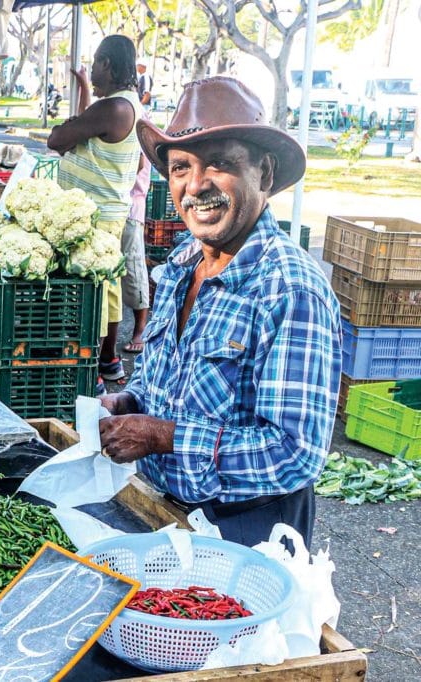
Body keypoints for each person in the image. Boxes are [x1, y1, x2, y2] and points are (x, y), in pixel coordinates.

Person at [99, 76, 340, 550]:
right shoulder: (181, 264)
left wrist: (164, 437)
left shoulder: (290, 289)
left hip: (249, 532)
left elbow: (294, 454)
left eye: (221, 164)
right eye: (181, 168)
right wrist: (131, 402)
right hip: (166, 510)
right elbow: (166, 377)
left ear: (265, 174)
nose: (196, 185)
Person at [46, 35, 143, 394]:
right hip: (110, 212)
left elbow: (56, 139)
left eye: (96, 66)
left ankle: (94, 375)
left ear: (107, 64)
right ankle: (109, 360)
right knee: (109, 287)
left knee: (92, 292)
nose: (94, 74)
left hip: (94, 214)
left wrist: (70, 129)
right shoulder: (127, 104)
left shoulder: (114, 107)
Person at [121, 133, 152, 355]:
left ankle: (141, 330)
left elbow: (139, 162)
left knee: (133, 269)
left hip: (130, 206)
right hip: (116, 207)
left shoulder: (134, 116)